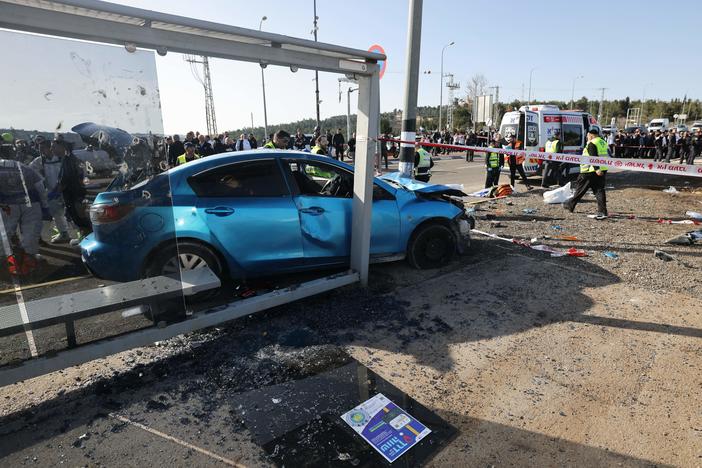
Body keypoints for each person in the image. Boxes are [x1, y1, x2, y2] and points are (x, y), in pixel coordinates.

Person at [0, 157, 49, 275]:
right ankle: (28, 258)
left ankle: (5, 259)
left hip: (7, 204)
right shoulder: (24, 167)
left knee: (5, 232)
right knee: (31, 231)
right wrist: (45, 206)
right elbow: (40, 187)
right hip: (31, 203)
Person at [30, 139, 72, 244]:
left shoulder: (62, 158)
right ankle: (64, 233)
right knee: (56, 213)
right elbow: (29, 171)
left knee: (71, 213)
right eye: (39, 149)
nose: (41, 151)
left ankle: (83, 234)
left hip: (67, 190)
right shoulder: (39, 161)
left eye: (43, 149)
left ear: (51, 148)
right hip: (52, 193)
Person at [563, 128, 609, 219]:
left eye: (588, 136)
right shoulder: (602, 142)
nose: (587, 138)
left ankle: (570, 204)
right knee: (599, 191)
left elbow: (593, 157)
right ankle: (602, 211)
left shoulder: (592, 143)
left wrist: (596, 168)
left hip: (589, 171)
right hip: (602, 170)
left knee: (580, 190)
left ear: (591, 135)